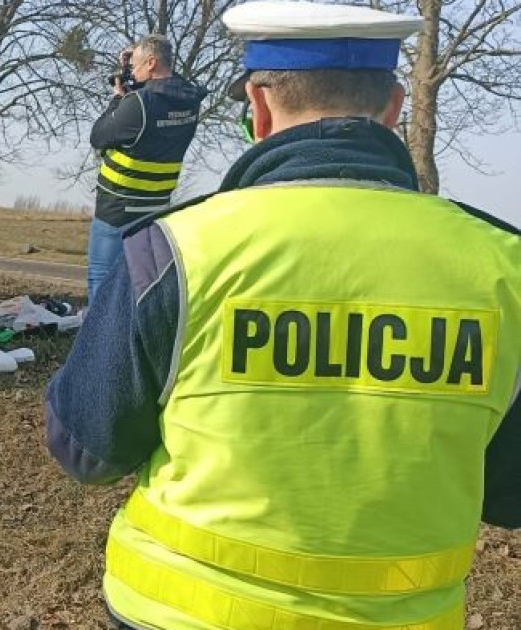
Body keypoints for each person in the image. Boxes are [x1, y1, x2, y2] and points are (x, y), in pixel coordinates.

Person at [45, 2, 521, 629]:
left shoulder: (175, 252)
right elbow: (509, 496)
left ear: (258, 107)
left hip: (177, 613)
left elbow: (85, 450)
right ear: (394, 107)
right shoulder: (504, 268)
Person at [88, 35, 206, 304]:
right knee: (140, 285)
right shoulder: (190, 101)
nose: (133, 72)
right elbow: (171, 85)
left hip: (117, 209)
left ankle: (101, 332)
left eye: (136, 66)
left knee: (101, 279)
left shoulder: (138, 104)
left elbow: (98, 136)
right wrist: (141, 61)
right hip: (156, 209)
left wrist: (117, 99)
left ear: (151, 63)